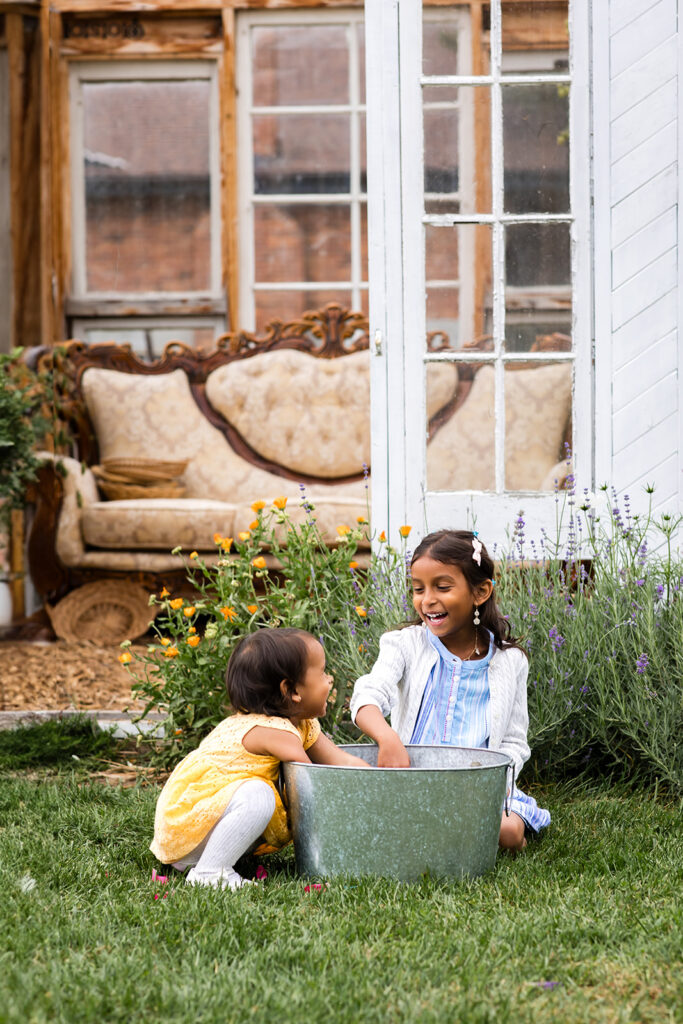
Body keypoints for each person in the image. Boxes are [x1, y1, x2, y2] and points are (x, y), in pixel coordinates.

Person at [350, 529, 550, 852]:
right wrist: (387, 738)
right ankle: (441, 830)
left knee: (509, 832)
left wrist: (488, 787)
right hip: (413, 783)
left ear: (481, 591)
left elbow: (514, 741)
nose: (427, 600)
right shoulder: (405, 645)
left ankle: (452, 828)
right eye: (418, 589)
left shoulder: (509, 662)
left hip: (477, 790)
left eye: (442, 587)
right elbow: (367, 696)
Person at [151, 627, 368, 889]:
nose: (330, 680)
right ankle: (209, 873)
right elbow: (311, 788)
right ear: (292, 690)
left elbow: (339, 760)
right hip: (190, 827)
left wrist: (376, 780)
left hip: (206, 830)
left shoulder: (302, 725)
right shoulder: (274, 732)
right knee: (259, 794)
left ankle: (213, 861)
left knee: (258, 794)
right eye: (322, 673)